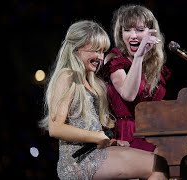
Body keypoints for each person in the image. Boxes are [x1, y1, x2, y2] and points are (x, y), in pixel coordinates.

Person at [38, 20, 169, 180]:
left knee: (161, 161)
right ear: (76, 49)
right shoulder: (67, 76)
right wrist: (97, 137)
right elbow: (56, 128)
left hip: (95, 153)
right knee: (158, 165)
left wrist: (111, 141)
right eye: (95, 50)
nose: (100, 57)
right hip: (78, 161)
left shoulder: (93, 82)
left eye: (102, 52)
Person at [100, 4, 171, 153]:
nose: (133, 36)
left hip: (153, 132)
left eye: (139, 30)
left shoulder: (154, 66)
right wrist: (139, 56)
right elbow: (128, 94)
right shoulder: (115, 59)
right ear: (120, 34)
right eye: (127, 30)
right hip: (127, 134)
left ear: (152, 33)